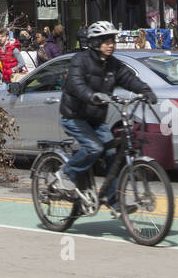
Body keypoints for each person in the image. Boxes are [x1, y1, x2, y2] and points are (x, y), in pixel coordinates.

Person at [54, 21, 157, 201]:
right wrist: (91, 96)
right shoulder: (80, 60)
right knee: (94, 148)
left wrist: (145, 90)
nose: (111, 45)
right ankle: (66, 174)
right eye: (106, 41)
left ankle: (114, 201)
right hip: (74, 117)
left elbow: (128, 78)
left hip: (96, 120)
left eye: (112, 41)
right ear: (95, 43)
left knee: (113, 154)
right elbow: (75, 84)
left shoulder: (113, 64)